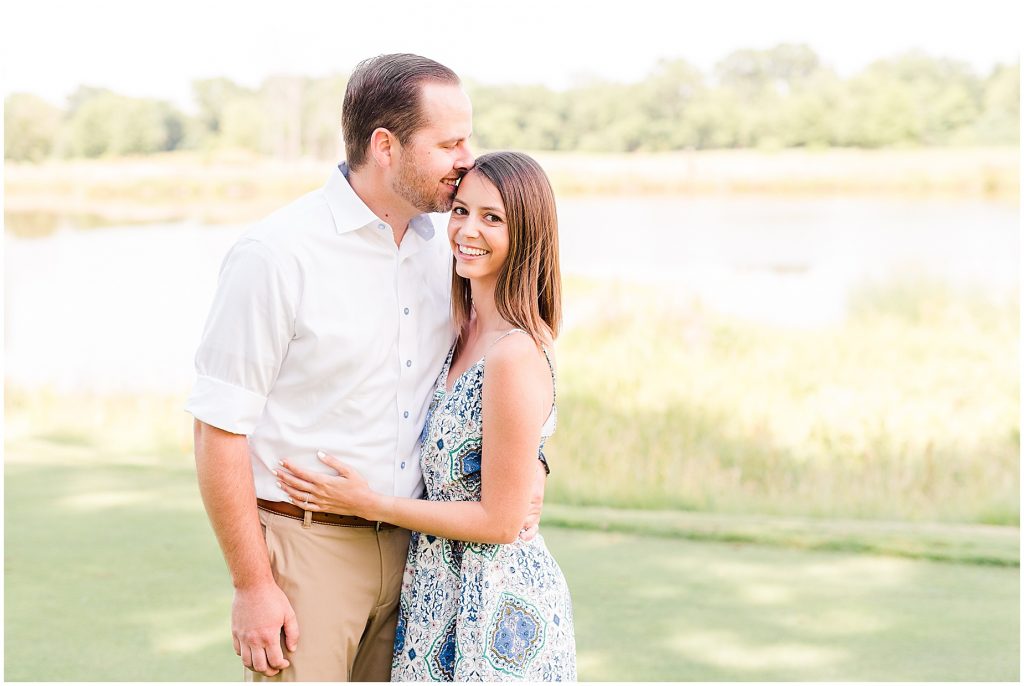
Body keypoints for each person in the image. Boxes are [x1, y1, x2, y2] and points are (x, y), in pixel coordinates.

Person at [186, 54, 545, 682]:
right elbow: (219, 429)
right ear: (385, 145)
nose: (469, 158)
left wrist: (530, 466)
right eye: (451, 142)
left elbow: (501, 369)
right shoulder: (276, 256)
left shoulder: (451, 248)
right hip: (310, 549)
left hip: (427, 560)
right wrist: (252, 585)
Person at [275, 151, 577, 681]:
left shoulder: (512, 353)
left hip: (494, 605)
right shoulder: (463, 330)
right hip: (436, 593)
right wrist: (538, 462)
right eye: (461, 210)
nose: (466, 230)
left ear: (526, 234)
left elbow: (500, 522)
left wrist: (370, 503)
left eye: (493, 218)